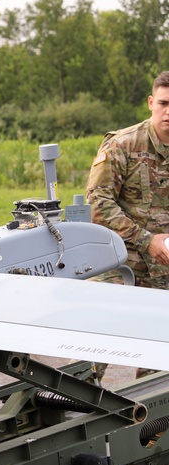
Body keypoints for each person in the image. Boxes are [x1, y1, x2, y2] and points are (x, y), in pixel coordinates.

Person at [85, 70, 169, 382]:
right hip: (121, 264)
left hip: (165, 272)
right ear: (151, 102)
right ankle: (66, 407)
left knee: (159, 369)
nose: (168, 111)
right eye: (163, 103)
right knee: (98, 345)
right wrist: (147, 240)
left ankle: (150, 429)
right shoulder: (123, 145)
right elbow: (98, 204)